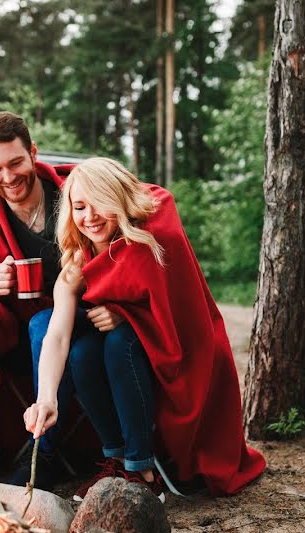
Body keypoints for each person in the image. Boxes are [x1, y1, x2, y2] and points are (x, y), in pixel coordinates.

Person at [22, 157, 266, 499]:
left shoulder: (147, 242)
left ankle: (142, 468)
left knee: (119, 339)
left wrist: (127, 313)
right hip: (114, 362)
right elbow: (58, 335)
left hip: (165, 353)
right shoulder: (76, 263)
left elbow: (175, 312)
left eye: (101, 205)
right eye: (79, 207)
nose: (90, 217)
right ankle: (117, 458)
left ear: (119, 203)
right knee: (82, 351)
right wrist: (46, 398)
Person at [0, 112, 123, 490]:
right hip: (20, 337)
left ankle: (46, 452)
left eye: (16, 162)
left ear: (33, 153)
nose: (8, 177)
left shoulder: (74, 194)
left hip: (86, 324)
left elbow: (127, 240)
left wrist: (120, 303)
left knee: (46, 324)